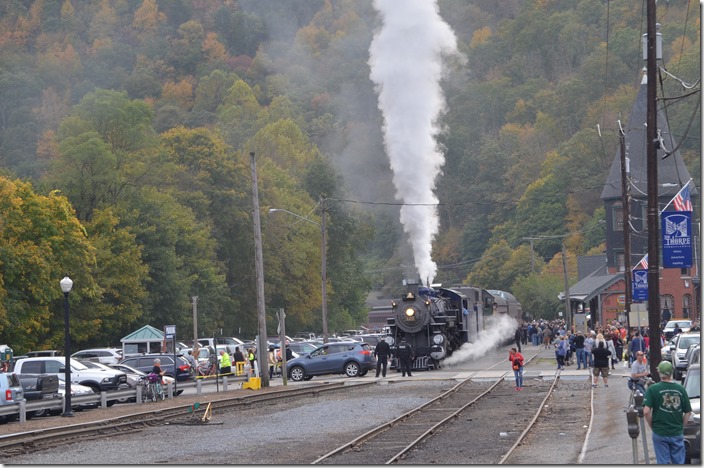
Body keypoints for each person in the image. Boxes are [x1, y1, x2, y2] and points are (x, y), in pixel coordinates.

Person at [643, 361, 692, 464]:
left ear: (659, 372)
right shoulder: (681, 389)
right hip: (676, 432)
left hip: (660, 432)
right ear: (671, 373)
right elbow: (688, 412)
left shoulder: (653, 389)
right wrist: (681, 426)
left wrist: (652, 425)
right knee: (678, 461)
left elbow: (646, 411)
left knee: (663, 462)